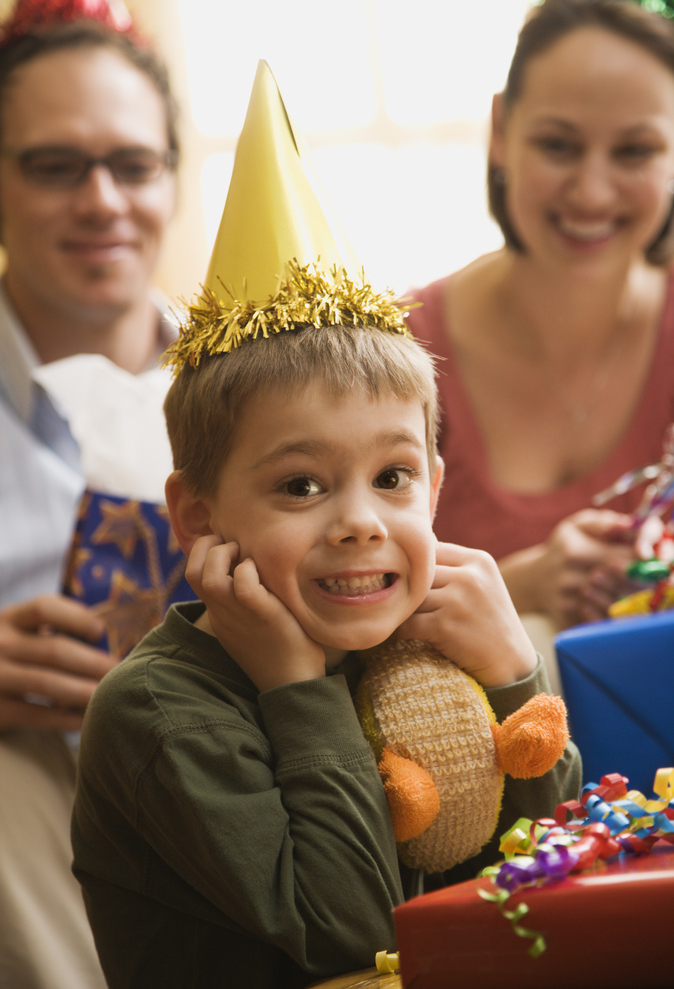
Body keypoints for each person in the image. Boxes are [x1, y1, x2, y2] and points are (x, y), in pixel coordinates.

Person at [71, 60, 581, 989]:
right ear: (197, 512)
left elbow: (542, 902)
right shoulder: (159, 715)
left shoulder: (423, 664)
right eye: (301, 486)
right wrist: (297, 690)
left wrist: (513, 679)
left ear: (433, 487)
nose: (357, 523)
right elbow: (361, 943)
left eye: (390, 477)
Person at [0, 0, 181, 985]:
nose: (102, 200)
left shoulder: (267, 390)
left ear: (170, 179)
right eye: (55, 166)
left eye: (130, 164)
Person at [407, 0, 674, 636]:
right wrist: (520, 583)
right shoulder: (398, 348)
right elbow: (324, 610)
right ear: (501, 131)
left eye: (634, 151)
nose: (591, 191)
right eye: (558, 145)